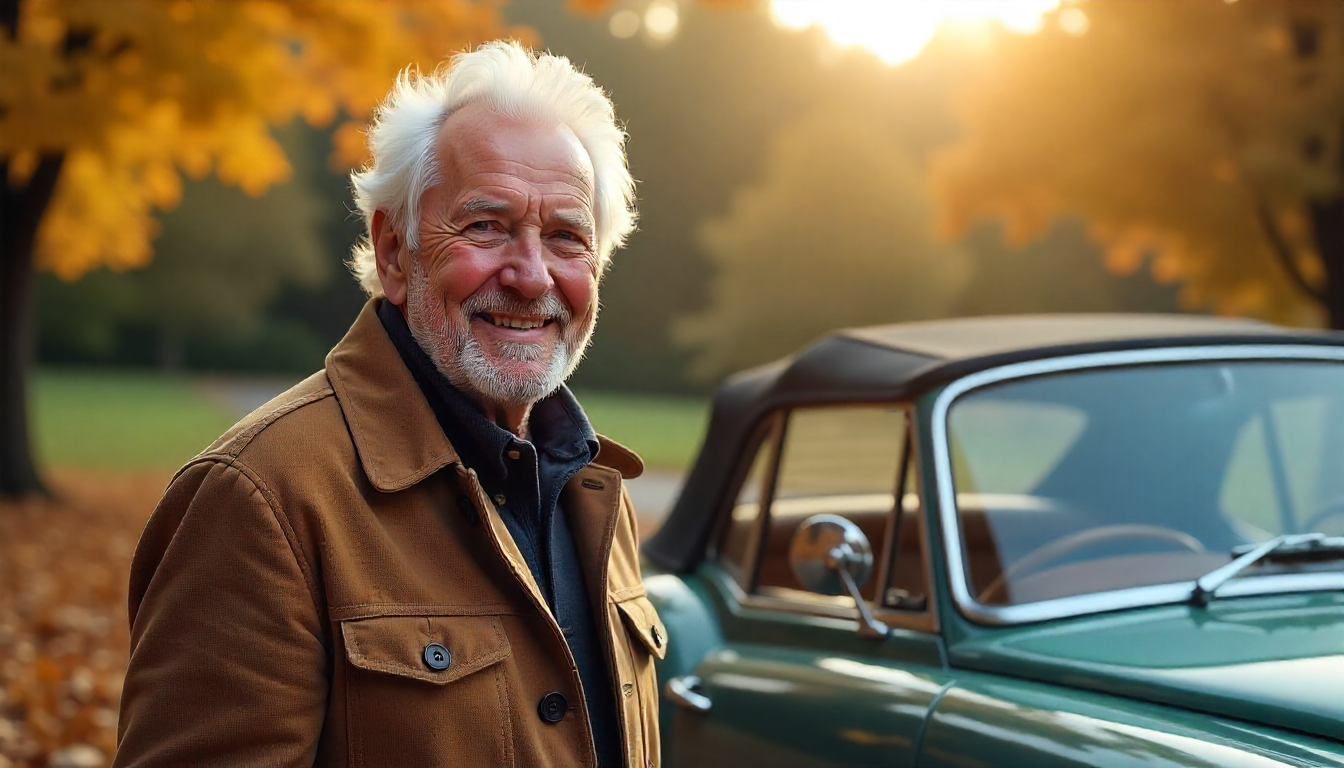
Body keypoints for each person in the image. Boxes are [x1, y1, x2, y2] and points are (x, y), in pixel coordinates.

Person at [113, 41, 665, 768]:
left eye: (566, 237)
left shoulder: (599, 496)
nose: (533, 277)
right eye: (486, 225)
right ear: (395, 252)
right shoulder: (261, 501)